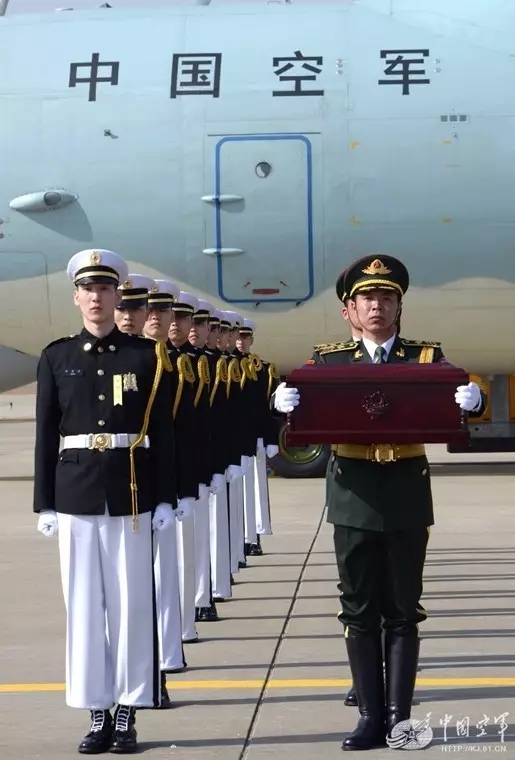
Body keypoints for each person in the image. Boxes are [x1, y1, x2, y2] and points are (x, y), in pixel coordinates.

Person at [273, 254, 486, 751]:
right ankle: (370, 716)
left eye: (387, 298)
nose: (377, 306)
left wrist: (472, 402)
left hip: (406, 489)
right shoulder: (328, 362)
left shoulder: (426, 358)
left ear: (399, 307)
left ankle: (398, 717)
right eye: (367, 298)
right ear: (349, 310)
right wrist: (281, 404)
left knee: (403, 607)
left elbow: (451, 399)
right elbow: (301, 405)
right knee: (358, 607)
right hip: (354, 491)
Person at [33, 249, 176, 754]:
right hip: (75, 493)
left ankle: (128, 712)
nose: (96, 297)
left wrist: (165, 498)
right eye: (87, 289)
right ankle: (96, 710)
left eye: (104, 289)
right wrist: (45, 503)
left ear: (118, 297)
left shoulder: (146, 357)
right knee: (83, 609)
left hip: (130, 494)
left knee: (132, 605)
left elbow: (164, 433)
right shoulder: (57, 357)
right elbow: (45, 434)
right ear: (76, 297)